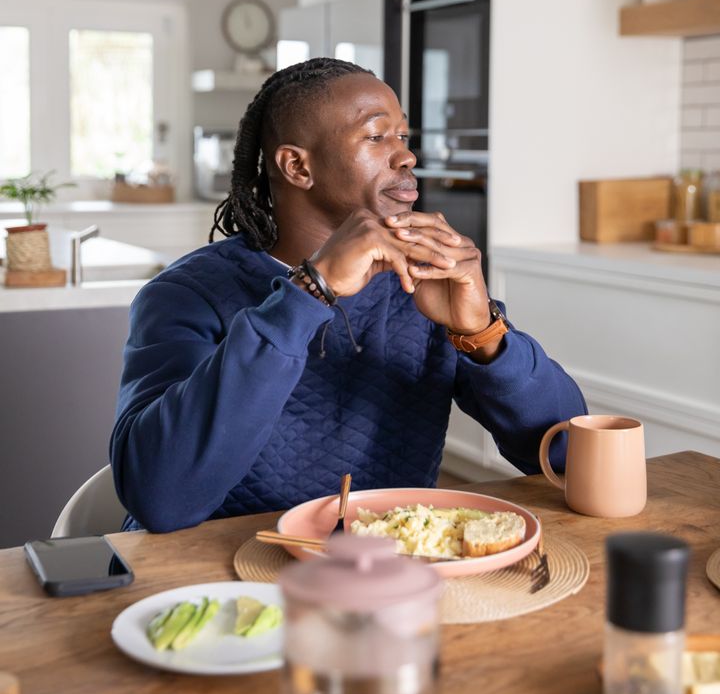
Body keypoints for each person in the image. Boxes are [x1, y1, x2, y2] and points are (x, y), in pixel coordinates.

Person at [111, 58, 585, 532]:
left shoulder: (420, 283)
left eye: (403, 137)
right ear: (297, 166)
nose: (406, 157)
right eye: (377, 137)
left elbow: (570, 457)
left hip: (379, 573)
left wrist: (482, 333)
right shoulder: (186, 295)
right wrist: (307, 294)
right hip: (217, 583)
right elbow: (161, 498)